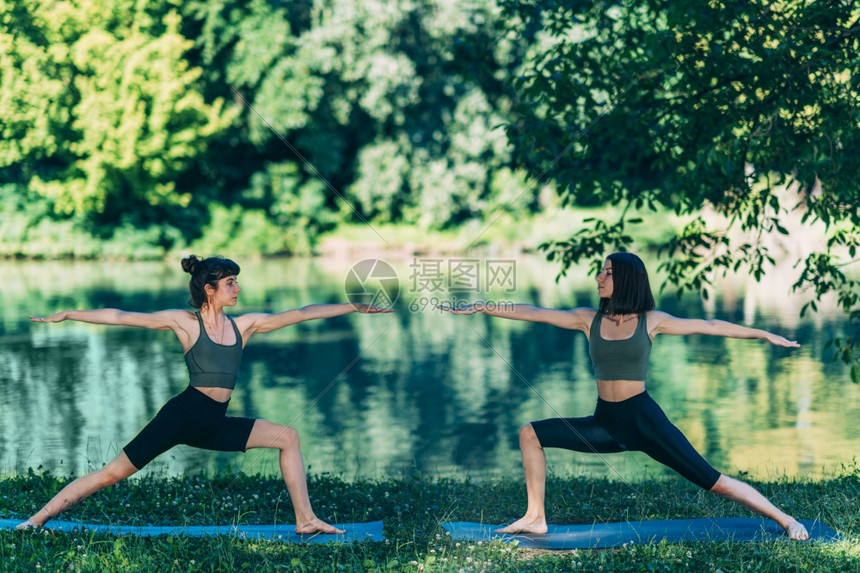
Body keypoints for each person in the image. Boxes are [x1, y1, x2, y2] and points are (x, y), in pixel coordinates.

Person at [438, 252, 809, 540]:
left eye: (607, 272)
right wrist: (485, 306)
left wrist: (762, 334)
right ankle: (535, 518)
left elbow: (710, 325)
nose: (599, 277)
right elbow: (536, 311)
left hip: (645, 422)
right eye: (600, 271)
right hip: (607, 423)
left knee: (715, 482)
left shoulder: (652, 320)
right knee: (530, 433)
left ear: (626, 279)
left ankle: (785, 518)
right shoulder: (588, 319)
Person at [17, 255, 391, 534]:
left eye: (236, 282)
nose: (238, 288)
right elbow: (119, 315)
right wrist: (68, 314)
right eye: (230, 282)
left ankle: (305, 519)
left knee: (287, 436)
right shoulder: (184, 321)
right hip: (182, 415)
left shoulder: (245, 325)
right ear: (209, 290)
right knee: (111, 473)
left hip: (214, 422)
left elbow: (302, 313)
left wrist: (354, 306)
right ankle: (35, 521)